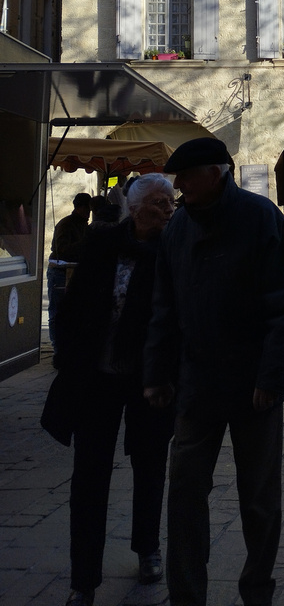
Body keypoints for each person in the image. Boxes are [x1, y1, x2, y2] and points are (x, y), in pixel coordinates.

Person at [143, 138, 284, 606]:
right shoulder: (177, 231)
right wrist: (157, 372)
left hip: (254, 385)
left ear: (216, 174)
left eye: (187, 177)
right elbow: (164, 307)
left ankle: (257, 589)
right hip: (196, 384)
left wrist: (272, 378)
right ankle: (186, 593)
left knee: (258, 497)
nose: (178, 187)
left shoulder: (259, 218)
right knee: (185, 493)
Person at [42, 175, 177, 606]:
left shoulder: (174, 251)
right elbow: (74, 301)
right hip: (96, 377)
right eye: (159, 203)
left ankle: (148, 547)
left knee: (150, 463)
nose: (168, 209)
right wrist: (69, 354)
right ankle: (84, 579)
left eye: (171, 202)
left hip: (149, 380)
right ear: (135, 210)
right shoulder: (103, 243)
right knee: (89, 476)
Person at [47, 192, 92, 352]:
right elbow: (61, 250)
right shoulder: (66, 224)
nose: (89, 213)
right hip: (60, 272)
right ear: (79, 208)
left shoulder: (84, 225)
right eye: (87, 209)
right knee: (57, 312)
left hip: (72, 271)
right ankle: (57, 349)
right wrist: (84, 244)